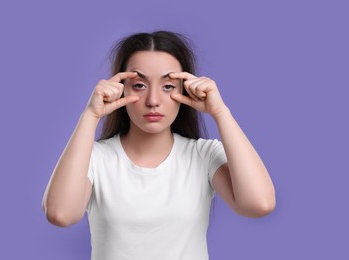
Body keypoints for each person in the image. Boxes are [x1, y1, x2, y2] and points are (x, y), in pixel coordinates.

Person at [42, 31, 276, 260]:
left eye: (168, 86)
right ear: (120, 87)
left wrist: (220, 112)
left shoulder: (202, 155)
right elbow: (61, 214)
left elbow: (259, 204)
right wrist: (90, 115)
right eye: (139, 85)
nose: (153, 101)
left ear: (185, 89)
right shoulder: (96, 159)